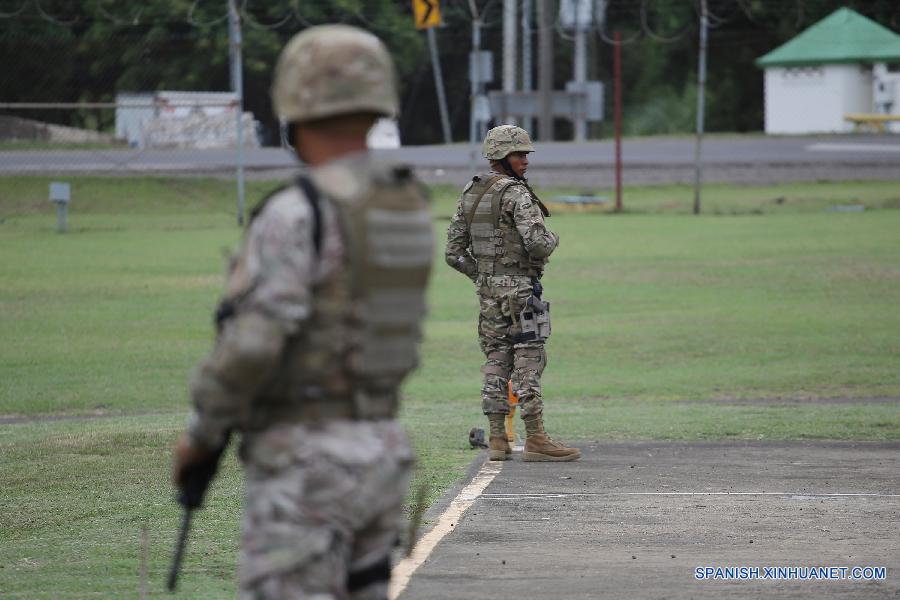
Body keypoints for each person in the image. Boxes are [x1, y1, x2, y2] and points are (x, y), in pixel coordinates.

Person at [172, 25, 434, 599]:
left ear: (296, 105)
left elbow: (253, 345)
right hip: (380, 447)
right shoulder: (406, 205)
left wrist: (201, 435)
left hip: (307, 463)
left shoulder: (298, 212)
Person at [445, 124, 580, 463]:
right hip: (522, 291)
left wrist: (485, 276)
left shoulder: (471, 192)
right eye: (520, 154)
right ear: (503, 157)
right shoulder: (517, 194)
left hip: (489, 293)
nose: (526, 161)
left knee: (495, 360)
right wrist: (554, 240)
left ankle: (496, 440)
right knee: (530, 358)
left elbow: (453, 252)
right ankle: (536, 438)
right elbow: (536, 244)